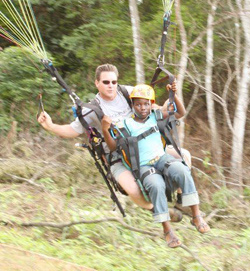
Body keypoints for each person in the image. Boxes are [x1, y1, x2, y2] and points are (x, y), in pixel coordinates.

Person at [37, 64, 189, 215]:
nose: (111, 86)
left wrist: (170, 98)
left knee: (184, 156)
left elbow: (151, 106)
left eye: (113, 82)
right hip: (118, 154)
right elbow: (72, 130)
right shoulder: (91, 110)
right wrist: (50, 126)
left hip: (145, 146)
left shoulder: (128, 92)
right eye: (106, 82)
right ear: (97, 83)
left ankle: (182, 201)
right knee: (133, 189)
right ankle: (157, 210)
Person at [101, 84, 210, 248]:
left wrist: (174, 95)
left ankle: (196, 216)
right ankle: (167, 231)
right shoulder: (126, 124)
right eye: (138, 104)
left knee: (182, 169)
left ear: (151, 104)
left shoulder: (155, 115)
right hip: (144, 166)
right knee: (156, 185)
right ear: (133, 105)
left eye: (146, 104)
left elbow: (180, 113)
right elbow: (113, 147)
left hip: (162, 158)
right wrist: (105, 129)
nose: (142, 108)